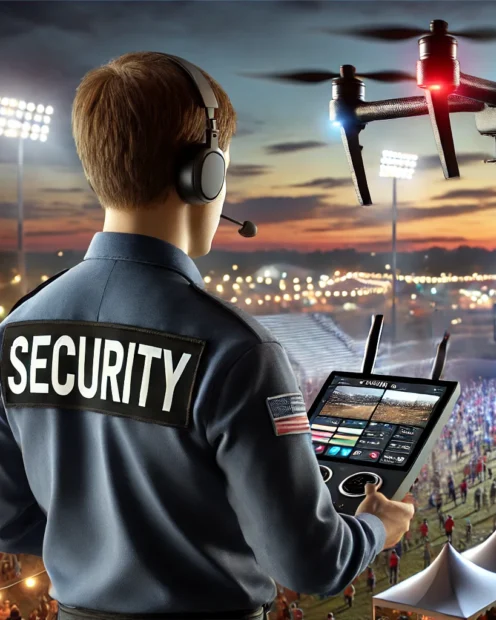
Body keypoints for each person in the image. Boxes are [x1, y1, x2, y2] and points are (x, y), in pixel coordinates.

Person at [0, 52, 415, 618]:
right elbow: (311, 564)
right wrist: (375, 527)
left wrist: (106, 536)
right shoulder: (237, 349)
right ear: (206, 172)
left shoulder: (16, 328)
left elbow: (8, 519)